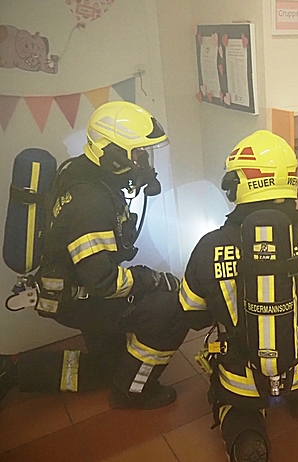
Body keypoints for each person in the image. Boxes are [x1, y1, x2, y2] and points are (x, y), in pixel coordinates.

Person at [0, 101, 193, 410]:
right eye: (138, 154)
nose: (144, 162)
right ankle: (133, 392)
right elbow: (104, 282)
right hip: (81, 297)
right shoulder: (90, 202)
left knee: (106, 369)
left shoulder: (85, 171)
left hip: (76, 286)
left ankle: (15, 372)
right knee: (172, 309)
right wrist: (150, 279)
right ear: (114, 155)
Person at [180, 130, 298, 462]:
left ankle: (246, 433)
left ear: (239, 185)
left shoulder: (210, 246)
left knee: (231, 401)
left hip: (240, 378)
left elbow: (192, 313)